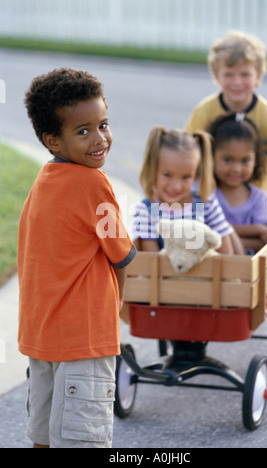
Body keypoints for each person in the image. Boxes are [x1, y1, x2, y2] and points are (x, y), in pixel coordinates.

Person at [18, 68, 136, 448]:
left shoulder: (45, 179)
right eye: (83, 131)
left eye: (103, 124)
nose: (100, 138)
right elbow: (122, 257)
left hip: (42, 338)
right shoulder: (93, 184)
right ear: (52, 139)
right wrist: (114, 309)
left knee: (44, 438)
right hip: (84, 340)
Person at [184, 30, 267, 225]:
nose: (237, 82)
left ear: (258, 77)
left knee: (266, 242)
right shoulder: (204, 111)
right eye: (229, 74)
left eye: (245, 75)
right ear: (217, 76)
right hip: (214, 197)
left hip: (259, 199)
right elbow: (186, 152)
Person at [131, 125, 234, 253]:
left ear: (196, 174)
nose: (176, 187)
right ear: (153, 169)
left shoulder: (206, 204)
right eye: (167, 175)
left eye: (186, 177)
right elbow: (151, 263)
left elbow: (226, 254)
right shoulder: (146, 210)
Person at [209, 113, 267, 253]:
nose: (236, 169)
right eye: (228, 160)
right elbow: (202, 230)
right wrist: (257, 229)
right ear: (212, 157)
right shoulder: (206, 193)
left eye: (245, 161)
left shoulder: (259, 199)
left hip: (250, 273)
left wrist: (223, 240)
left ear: (256, 160)